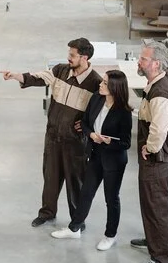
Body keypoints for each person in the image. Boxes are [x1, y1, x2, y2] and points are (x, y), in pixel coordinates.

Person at [2, 38, 102, 228]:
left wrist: (88, 125)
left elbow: (100, 110)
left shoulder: (95, 82)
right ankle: (47, 212)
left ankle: (77, 220)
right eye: (69, 54)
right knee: (50, 177)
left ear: (84, 57)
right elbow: (39, 77)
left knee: (75, 183)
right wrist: (16, 76)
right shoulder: (60, 70)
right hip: (53, 136)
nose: (68, 58)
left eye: (72, 55)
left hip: (75, 142)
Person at [50, 70, 133, 251]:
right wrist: (92, 135)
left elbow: (126, 143)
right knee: (86, 192)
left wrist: (110, 142)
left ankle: (110, 235)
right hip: (95, 154)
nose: (100, 85)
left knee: (111, 199)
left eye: (104, 83)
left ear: (114, 88)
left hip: (114, 160)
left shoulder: (124, 112)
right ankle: (75, 228)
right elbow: (86, 123)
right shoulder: (96, 98)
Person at [131, 41, 168, 263]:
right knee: (150, 201)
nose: (139, 62)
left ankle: (162, 258)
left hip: (156, 158)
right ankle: (153, 239)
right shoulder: (156, 83)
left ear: (156, 63)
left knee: (156, 204)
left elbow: (160, 128)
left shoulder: (161, 91)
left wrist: (149, 149)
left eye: (143, 59)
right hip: (155, 157)